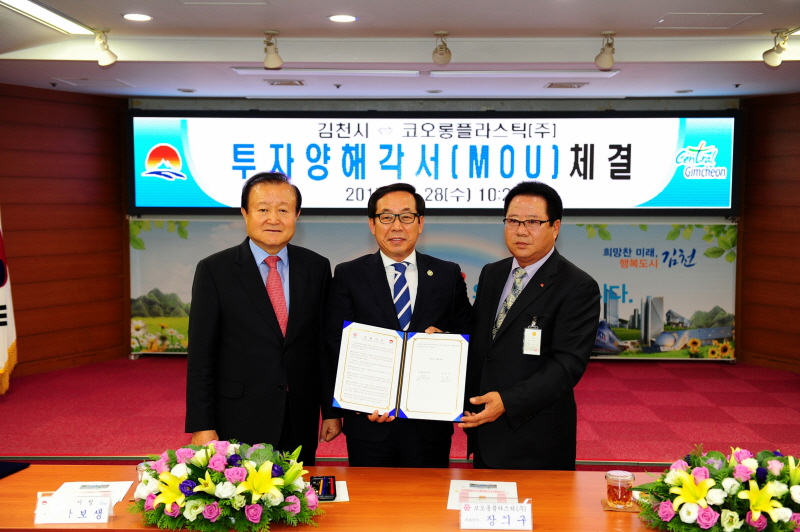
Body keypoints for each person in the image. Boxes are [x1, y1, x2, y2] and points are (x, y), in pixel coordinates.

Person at [185, 172, 341, 465]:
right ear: (245, 213)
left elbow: (321, 346)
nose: (273, 219)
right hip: (238, 417)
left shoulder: (316, 267)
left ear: (296, 215)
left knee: (299, 491)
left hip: (299, 416)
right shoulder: (215, 270)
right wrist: (201, 424)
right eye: (263, 209)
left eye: (283, 210)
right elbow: (201, 355)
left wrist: (331, 411)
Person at [325, 183, 472, 468]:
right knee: (369, 496)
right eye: (386, 217)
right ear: (372, 224)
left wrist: (446, 341)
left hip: (429, 424)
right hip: (368, 423)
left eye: (406, 216)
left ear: (420, 223)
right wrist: (352, 403)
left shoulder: (447, 274)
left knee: (428, 496)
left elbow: (469, 336)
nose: (396, 226)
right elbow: (333, 343)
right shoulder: (349, 274)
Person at [460, 181, 600, 470]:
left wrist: (507, 401)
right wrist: (443, 341)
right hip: (486, 429)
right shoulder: (492, 273)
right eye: (513, 221)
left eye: (533, 222)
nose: (521, 231)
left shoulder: (577, 285)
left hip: (536, 437)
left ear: (555, 227)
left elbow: (567, 366)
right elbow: (481, 337)